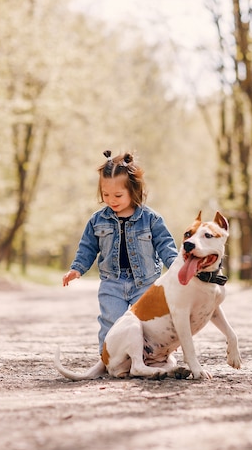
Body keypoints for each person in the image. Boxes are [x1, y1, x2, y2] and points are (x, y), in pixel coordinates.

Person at [63, 150, 178, 354]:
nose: (111, 200)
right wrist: (77, 269)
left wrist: (178, 268)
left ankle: (150, 358)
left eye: (118, 195)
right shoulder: (97, 220)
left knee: (148, 324)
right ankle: (107, 357)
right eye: (105, 194)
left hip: (145, 283)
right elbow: (88, 247)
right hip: (112, 283)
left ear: (133, 190)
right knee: (111, 321)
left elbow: (165, 245)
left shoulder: (151, 219)